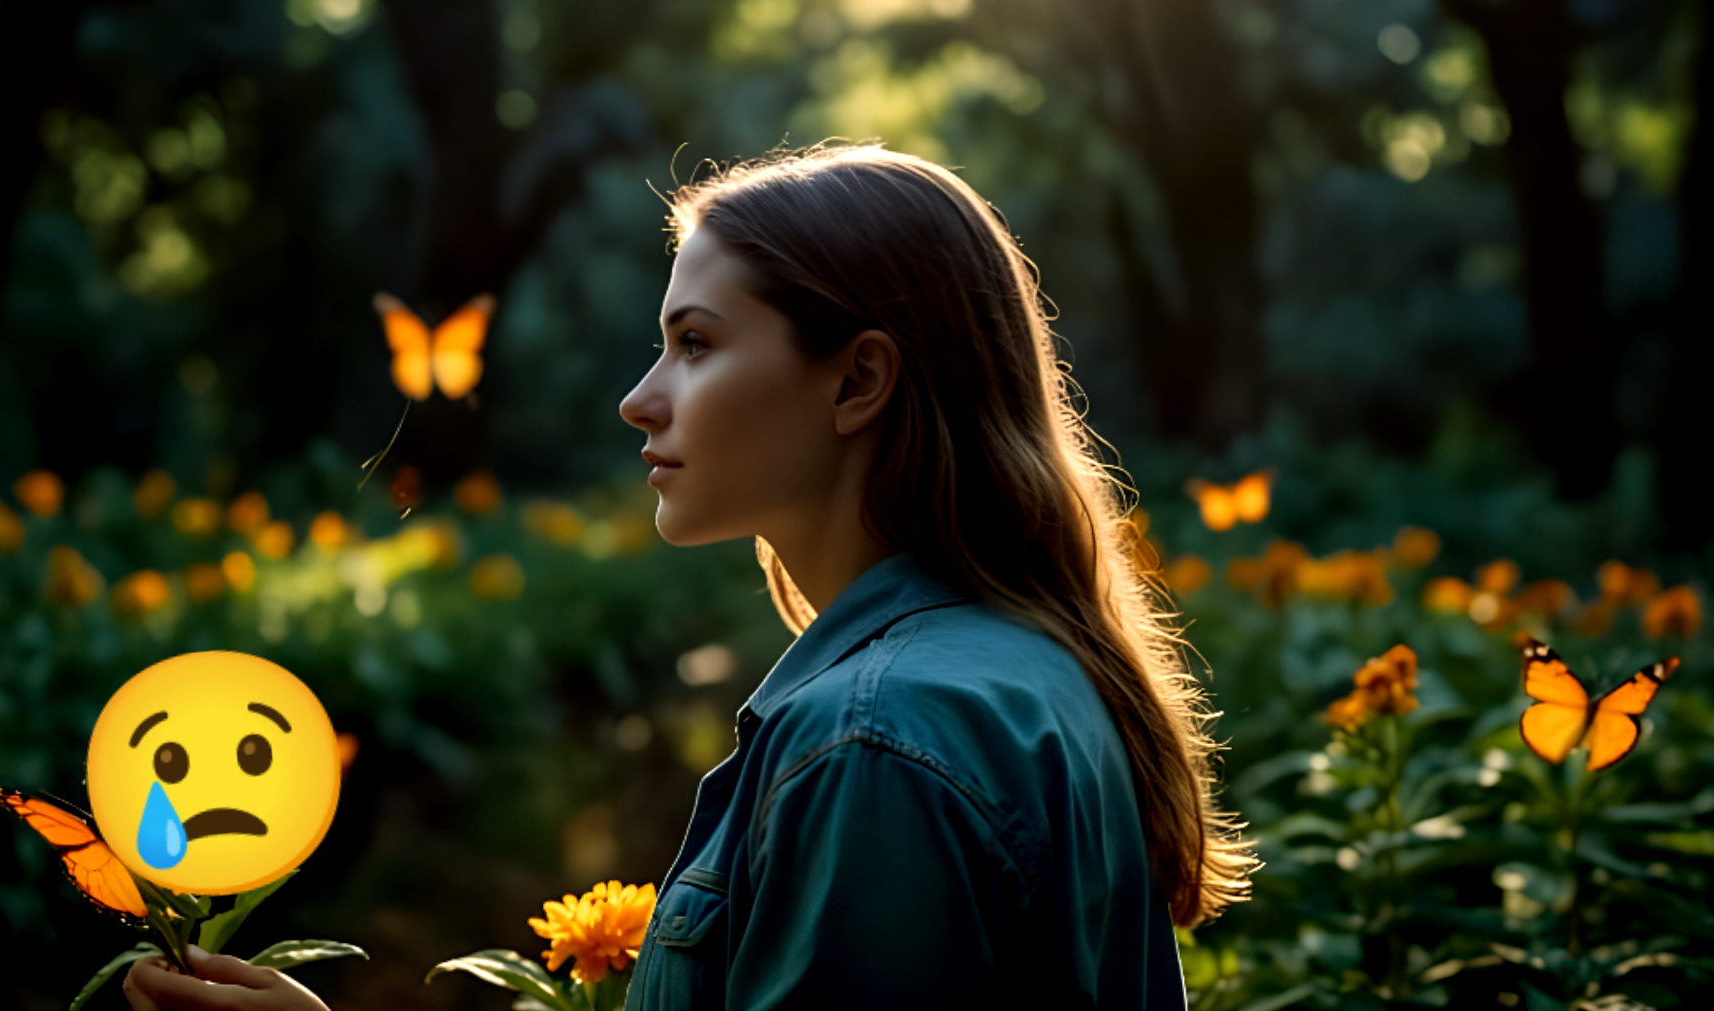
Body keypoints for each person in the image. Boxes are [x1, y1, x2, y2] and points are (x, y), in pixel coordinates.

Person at [124, 141, 1255, 1011]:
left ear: (857, 381)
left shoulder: (875, 742)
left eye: (698, 344)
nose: (641, 397)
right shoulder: (1013, 669)